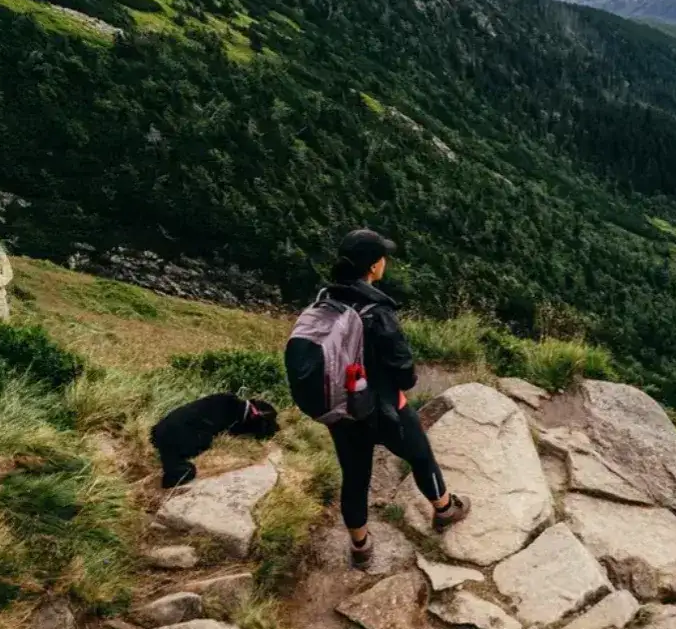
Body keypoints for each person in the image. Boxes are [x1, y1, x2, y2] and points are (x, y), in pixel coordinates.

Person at [287, 229, 469, 568]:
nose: (385, 261)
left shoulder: (326, 299)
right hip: (384, 407)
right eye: (382, 256)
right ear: (373, 266)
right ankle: (445, 510)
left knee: (355, 478)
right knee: (420, 456)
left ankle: (361, 548)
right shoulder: (378, 311)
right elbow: (405, 374)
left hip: (341, 411)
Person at [150, 394, 279, 488]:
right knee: (204, 441)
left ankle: (175, 466)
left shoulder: (226, 402)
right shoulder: (230, 411)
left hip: (161, 429)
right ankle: (176, 469)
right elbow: (237, 429)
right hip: (176, 435)